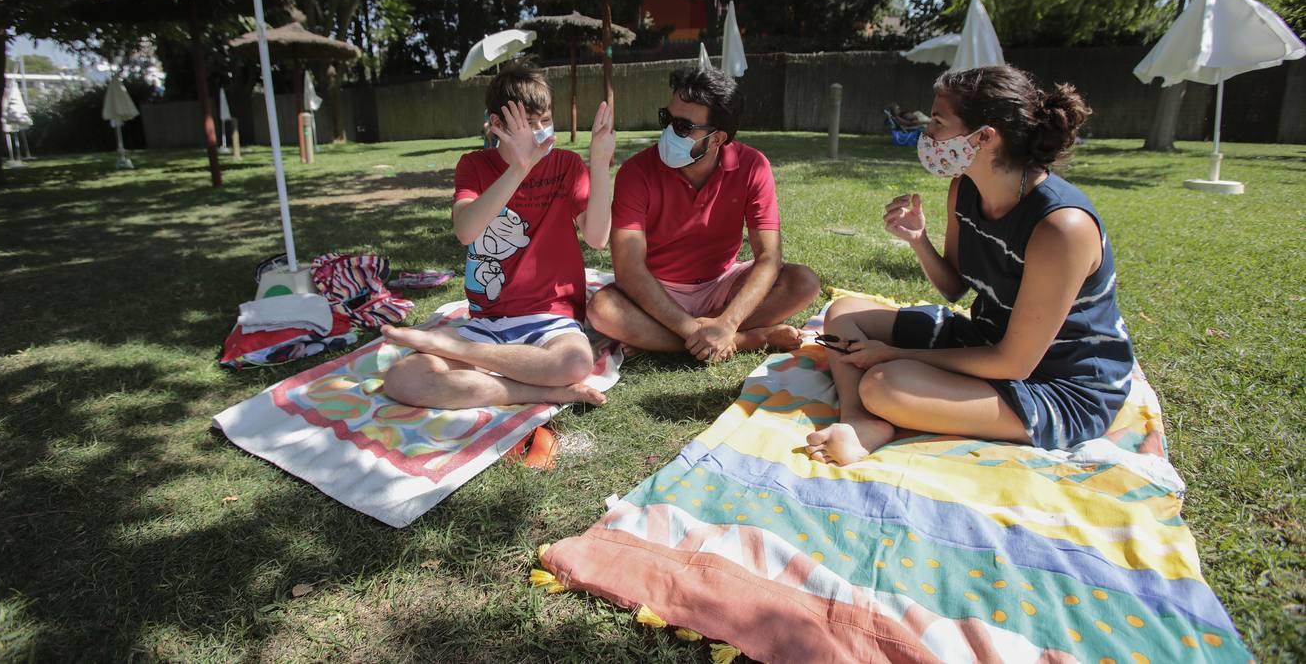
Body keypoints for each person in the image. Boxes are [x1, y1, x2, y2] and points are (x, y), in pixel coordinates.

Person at [807, 66, 1133, 465]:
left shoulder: (1061, 227)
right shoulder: (964, 188)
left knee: (884, 385)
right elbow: (955, 287)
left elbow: (1015, 362)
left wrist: (891, 355)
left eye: (939, 122)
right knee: (844, 313)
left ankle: (875, 403)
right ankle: (859, 421)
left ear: (984, 137)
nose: (927, 134)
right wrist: (918, 241)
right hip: (987, 341)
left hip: (1059, 384)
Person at [381, 67, 614, 408]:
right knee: (404, 378)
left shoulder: (566, 165)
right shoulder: (474, 166)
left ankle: (465, 352)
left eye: (544, 120)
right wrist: (518, 168)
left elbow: (597, 238)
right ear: (498, 125)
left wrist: (600, 163)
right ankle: (544, 392)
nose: (539, 132)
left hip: (551, 317)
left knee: (575, 363)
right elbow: (466, 231)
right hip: (488, 320)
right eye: (527, 123)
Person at [587, 67, 819, 362]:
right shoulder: (636, 171)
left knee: (803, 282)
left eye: (683, 127)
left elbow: (768, 257)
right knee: (602, 309)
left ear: (718, 139)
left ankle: (667, 340)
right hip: (656, 289)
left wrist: (727, 322)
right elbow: (629, 270)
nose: (670, 131)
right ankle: (747, 340)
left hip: (722, 283)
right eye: (667, 119)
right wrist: (693, 329)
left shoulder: (753, 166)